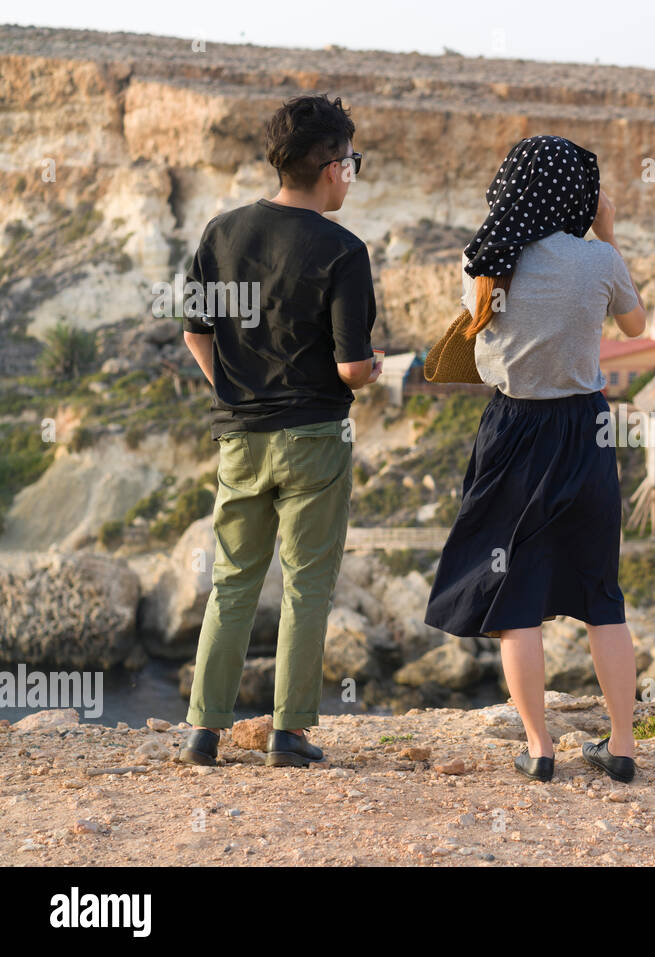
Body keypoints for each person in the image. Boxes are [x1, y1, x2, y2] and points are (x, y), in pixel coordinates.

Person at [424, 134, 647, 783]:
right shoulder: (599, 261)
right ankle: (624, 746)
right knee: (603, 594)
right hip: (586, 429)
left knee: (515, 597)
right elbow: (635, 330)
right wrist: (606, 231)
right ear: (579, 193)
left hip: (514, 430)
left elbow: (480, 328)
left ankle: (539, 747)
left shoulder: (485, 260)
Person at [177, 93, 381, 768]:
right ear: (330, 166)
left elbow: (194, 331)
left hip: (240, 435)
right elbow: (352, 368)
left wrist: (234, 393)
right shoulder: (344, 251)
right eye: (353, 160)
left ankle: (203, 730)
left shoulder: (221, 232)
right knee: (306, 583)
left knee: (233, 580)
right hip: (316, 436)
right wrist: (376, 370)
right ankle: (288, 733)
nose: (352, 172)